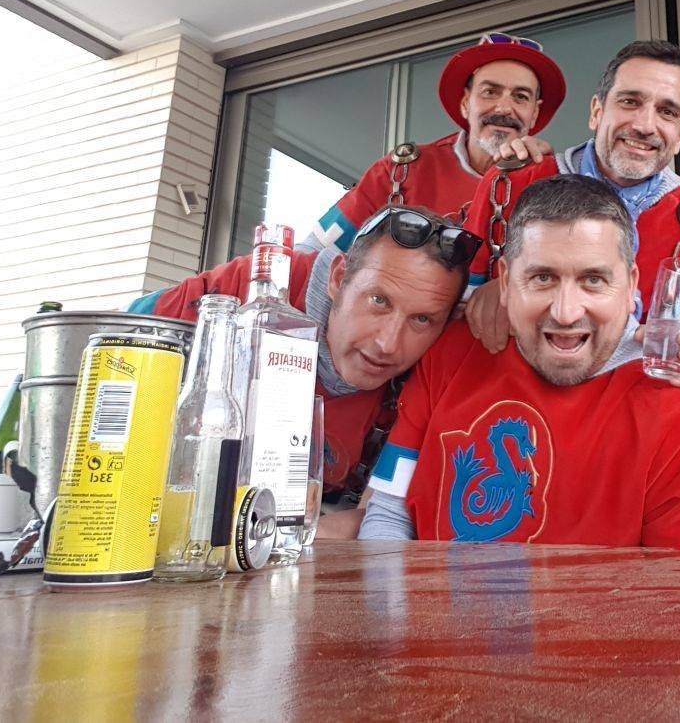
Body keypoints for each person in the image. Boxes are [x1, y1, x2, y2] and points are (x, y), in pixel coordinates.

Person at [359, 175, 680, 548]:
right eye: (542, 278)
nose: (566, 312)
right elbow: (389, 514)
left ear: (631, 285)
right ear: (505, 280)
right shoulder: (454, 353)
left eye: (593, 280)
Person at [128, 205, 477, 532]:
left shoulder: (424, 381)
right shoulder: (249, 288)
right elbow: (120, 338)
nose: (388, 343)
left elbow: (381, 514)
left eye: (422, 319)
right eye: (378, 300)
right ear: (338, 278)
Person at [463, 39, 680, 350]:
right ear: (596, 111)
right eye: (630, 102)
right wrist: (488, 294)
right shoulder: (509, 184)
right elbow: (452, 308)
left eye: (667, 112)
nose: (645, 125)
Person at [305, 31, 566, 253]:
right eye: (490, 92)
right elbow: (312, 253)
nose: (504, 107)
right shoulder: (400, 171)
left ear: (534, 113)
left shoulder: (554, 182)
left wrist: (544, 177)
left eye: (520, 97)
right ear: (466, 103)